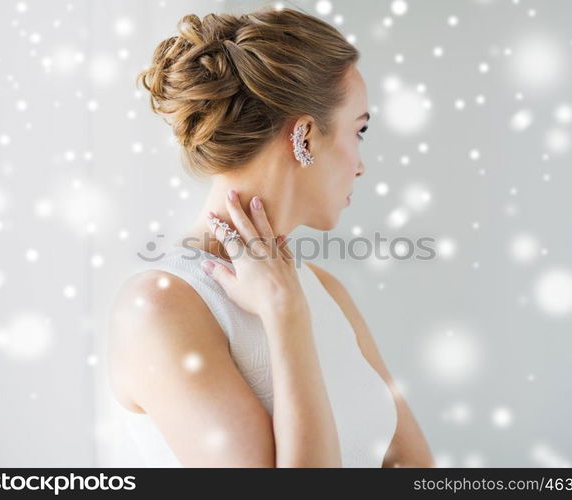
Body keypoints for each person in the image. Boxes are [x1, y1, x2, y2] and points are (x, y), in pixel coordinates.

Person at [106, 6, 434, 468]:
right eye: (359, 131)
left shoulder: (324, 289)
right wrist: (286, 319)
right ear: (303, 136)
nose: (361, 164)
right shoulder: (162, 307)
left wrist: (293, 305)